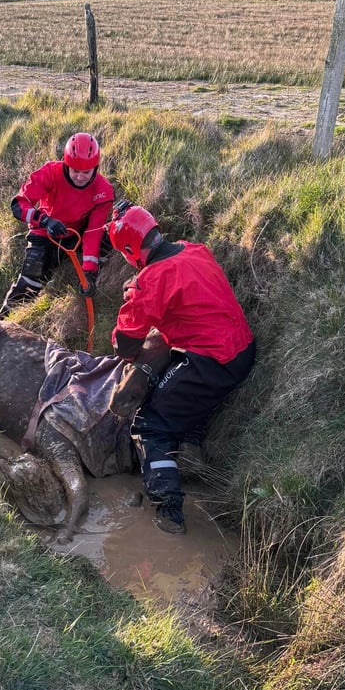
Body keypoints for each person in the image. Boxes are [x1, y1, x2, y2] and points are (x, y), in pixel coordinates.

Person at [108, 201, 255, 535]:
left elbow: (126, 345)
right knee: (182, 393)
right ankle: (189, 451)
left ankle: (168, 510)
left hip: (209, 361)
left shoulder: (149, 282)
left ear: (131, 251)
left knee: (149, 425)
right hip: (242, 350)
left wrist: (133, 294)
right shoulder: (195, 251)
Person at [0, 132, 114, 318]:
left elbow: (93, 232)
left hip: (75, 234)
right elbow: (18, 205)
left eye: (86, 172)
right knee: (30, 280)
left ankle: (96, 271)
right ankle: (1, 324)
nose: (80, 177)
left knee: (110, 236)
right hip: (44, 233)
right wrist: (44, 220)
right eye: (75, 170)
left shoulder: (103, 191)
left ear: (96, 168)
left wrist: (89, 274)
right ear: (66, 163)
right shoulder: (50, 172)